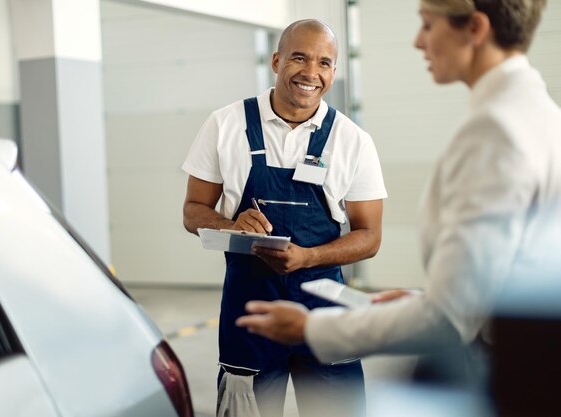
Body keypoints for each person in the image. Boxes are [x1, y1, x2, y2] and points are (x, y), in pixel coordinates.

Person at [237, 0, 561, 386]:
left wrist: (312, 330)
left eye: (427, 25)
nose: (418, 42)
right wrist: (419, 300)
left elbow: (449, 319)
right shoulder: (537, 112)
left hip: (507, 373)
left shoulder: (496, 131)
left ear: (475, 28)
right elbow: (500, 276)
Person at [182, 19, 387, 417]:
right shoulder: (225, 125)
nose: (311, 73)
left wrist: (308, 258)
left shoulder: (352, 140)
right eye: (299, 57)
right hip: (250, 310)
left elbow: (370, 236)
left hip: (326, 313)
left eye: (324, 63)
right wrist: (231, 224)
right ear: (276, 60)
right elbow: (193, 211)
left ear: (334, 72)